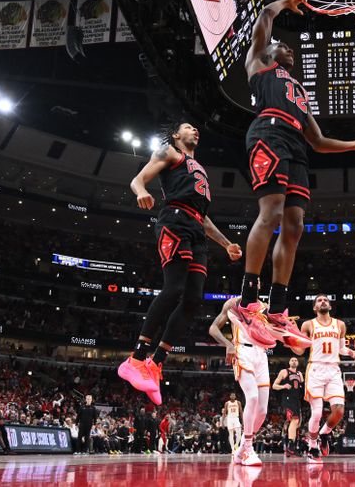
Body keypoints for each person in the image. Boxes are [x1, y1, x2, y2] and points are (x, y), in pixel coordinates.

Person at [232, 0, 355, 344]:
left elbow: (317, 140)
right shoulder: (258, 62)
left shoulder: (299, 89)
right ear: (270, 51)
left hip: (298, 147)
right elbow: (264, 19)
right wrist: (284, 2)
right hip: (267, 133)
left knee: (295, 225)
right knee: (269, 213)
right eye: (283, 45)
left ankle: (278, 310)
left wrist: (354, 145)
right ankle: (248, 302)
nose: (289, 49)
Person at [119, 122, 242, 405]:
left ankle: (156, 362)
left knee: (193, 299)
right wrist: (140, 192)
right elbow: (138, 179)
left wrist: (226, 244)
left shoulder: (198, 169)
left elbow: (204, 217)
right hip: (174, 221)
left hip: (197, 228)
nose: (195, 130)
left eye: (197, 128)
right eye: (189, 127)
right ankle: (136, 358)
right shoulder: (170, 152)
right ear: (176, 135)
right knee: (173, 289)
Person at [290, 294, 355, 462]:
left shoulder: (340, 325)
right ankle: (313, 445)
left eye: (325, 300)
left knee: (340, 411)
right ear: (315, 308)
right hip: (316, 369)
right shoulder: (308, 324)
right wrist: (290, 337)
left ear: (330, 306)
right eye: (319, 300)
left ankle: (324, 434)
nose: (323, 302)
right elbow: (299, 350)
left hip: (334, 369)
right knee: (317, 412)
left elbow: (341, 348)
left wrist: (349, 352)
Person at [209, 297, 272, 466]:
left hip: (262, 354)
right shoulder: (233, 303)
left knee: (263, 410)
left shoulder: (264, 306)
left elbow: (272, 330)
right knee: (252, 397)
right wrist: (228, 344)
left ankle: (241, 449)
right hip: (242, 350)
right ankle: (249, 450)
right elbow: (213, 328)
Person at [273, 357, 304, 457]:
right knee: (294, 421)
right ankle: (291, 446)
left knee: (296, 424)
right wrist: (283, 386)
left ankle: (291, 447)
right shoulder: (284, 372)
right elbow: (274, 385)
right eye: (292, 360)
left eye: (296, 360)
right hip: (288, 399)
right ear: (289, 362)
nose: (294, 361)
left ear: (298, 363)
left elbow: (302, 388)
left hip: (297, 400)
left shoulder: (300, 374)